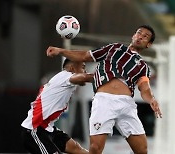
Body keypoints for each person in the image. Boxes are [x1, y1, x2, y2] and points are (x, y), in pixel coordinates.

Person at [46, 25, 162, 154]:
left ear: (149, 44)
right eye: (139, 33)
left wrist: (151, 99)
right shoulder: (114, 48)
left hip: (126, 105)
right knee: (95, 149)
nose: (140, 36)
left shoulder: (143, 67)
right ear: (133, 35)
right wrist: (60, 51)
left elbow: (144, 88)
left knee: (142, 150)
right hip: (104, 101)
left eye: (145, 37)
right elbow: (85, 55)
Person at [21, 58, 94, 154]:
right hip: (34, 130)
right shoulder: (65, 76)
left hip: (48, 128)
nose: (85, 71)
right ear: (72, 68)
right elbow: (84, 78)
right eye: (83, 68)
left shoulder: (62, 80)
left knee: (75, 148)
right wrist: (106, 75)